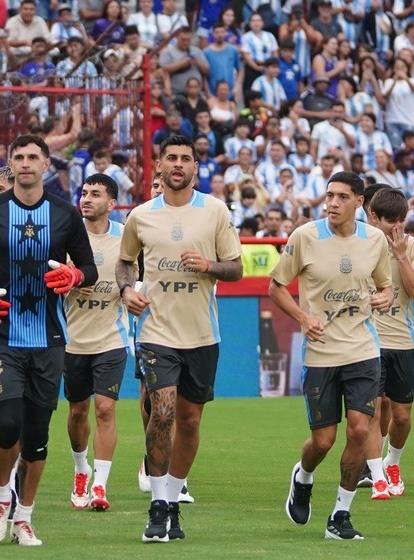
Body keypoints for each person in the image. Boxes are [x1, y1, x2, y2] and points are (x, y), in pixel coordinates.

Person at [0, 135, 98, 546]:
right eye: (18, 156)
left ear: (46, 163)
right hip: (1, 335)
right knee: (7, 425)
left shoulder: (65, 214)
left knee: (36, 436)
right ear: (11, 163)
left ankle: (25, 517)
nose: (25, 163)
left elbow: (89, 268)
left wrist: (75, 276)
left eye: (33, 156)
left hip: (50, 339)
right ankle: (2, 498)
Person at [117, 135, 243, 540]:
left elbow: (236, 268)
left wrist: (209, 265)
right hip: (156, 331)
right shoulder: (140, 216)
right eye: (170, 157)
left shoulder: (215, 211)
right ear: (159, 165)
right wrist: (126, 290)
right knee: (163, 411)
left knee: (189, 421)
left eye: (185, 158)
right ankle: (157, 506)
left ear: (195, 167)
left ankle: (172, 501)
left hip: (202, 334)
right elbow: (125, 262)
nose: (177, 164)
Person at [271, 171, 393, 540]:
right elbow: (277, 287)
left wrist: (384, 297)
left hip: (362, 349)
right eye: (329, 196)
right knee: (323, 441)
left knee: (359, 430)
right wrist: (303, 318)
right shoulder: (305, 236)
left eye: (342, 197)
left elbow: (386, 286)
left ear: (360, 202)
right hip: (320, 353)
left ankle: (340, 515)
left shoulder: (375, 239)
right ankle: (303, 476)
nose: (333, 203)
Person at [62, 173, 128, 512]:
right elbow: (48, 279)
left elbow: (138, 276)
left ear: (112, 203)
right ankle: (80, 469)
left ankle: (100, 485)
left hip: (111, 338)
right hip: (73, 339)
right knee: (77, 412)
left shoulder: (126, 238)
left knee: (105, 408)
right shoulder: (67, 237)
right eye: (84, 192)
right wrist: (70, 281)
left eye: (95, 194)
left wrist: (132, 293)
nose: (86, 199)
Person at [362, 186, 414, 498]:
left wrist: (401, 255)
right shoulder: (359, 244)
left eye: (402, 220)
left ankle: (392, 462)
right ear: (374, 217)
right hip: (367, 343)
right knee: (372, 413)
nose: (397, 227)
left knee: (401, 416)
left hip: (402, 341)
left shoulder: (413, 247)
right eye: (391, 221)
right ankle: (376, 477)